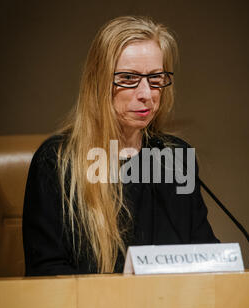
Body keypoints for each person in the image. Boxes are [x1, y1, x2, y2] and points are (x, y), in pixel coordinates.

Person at [23, 15, 219, 276]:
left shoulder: (176, 158)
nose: (146, 94)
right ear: (98, 82)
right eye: (128, 78)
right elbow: (46, 273)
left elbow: (205, 256)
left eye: (155, 78)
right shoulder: (56, 161)